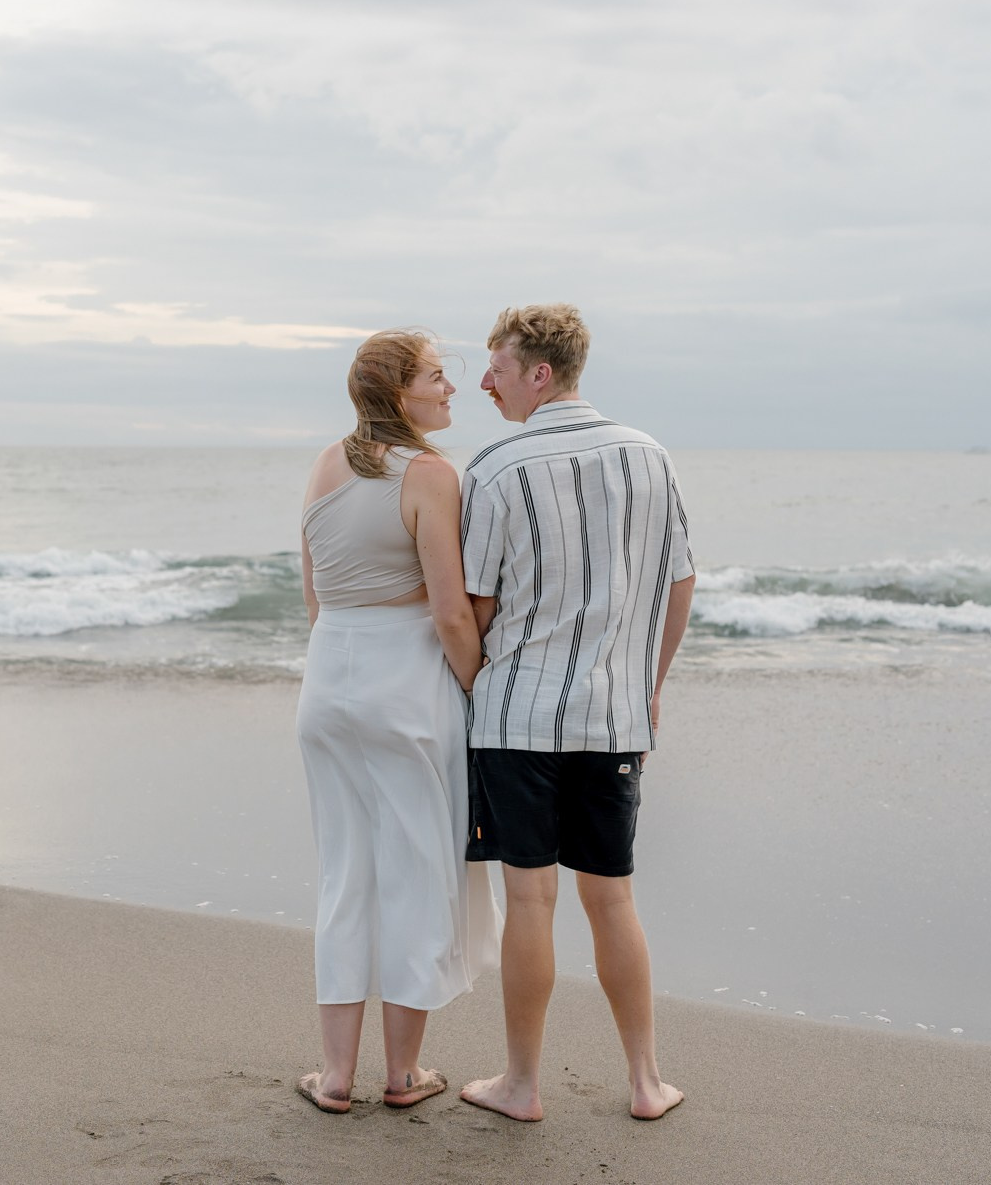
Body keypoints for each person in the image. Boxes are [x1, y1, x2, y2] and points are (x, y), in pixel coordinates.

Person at [456, 303, 696, 1123]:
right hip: (612, 718)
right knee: (613, 897)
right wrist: (649, 684)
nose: (483, 381)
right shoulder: (650, 455)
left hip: (517, 719)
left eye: (496, 365)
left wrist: (468, 678)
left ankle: (521, 1085)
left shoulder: (494, 468)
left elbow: (477, 605)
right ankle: (645, 1081)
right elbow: (681, 581)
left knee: (531, 901)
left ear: (539, 372)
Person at [294, 329, 502, 1114]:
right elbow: (451, 612)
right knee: (416, 871)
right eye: (436, 378)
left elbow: (315, 596)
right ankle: (401, 1073)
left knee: (347, 874)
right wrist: (479, 689)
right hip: (405, 686)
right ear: (398, 393)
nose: (450, 389)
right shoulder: (430, 474)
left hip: (328, 679)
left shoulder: (323, 464)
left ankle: (335, 1074)